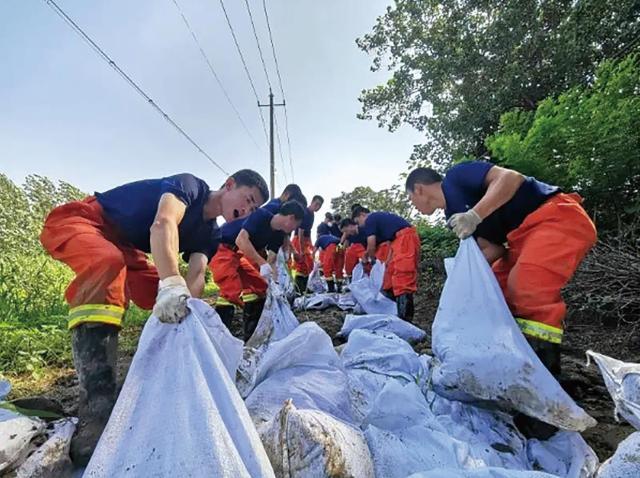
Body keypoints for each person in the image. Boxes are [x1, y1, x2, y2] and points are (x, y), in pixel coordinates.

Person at [39, 170, 269, 464]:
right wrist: (171, 281)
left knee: (156, 293)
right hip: (87, 220)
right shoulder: (190, 187)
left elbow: (197, 273)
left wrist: (187, 306)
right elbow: (164, 223)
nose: (247, 211)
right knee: (107, 264)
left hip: (123, 246)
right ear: (229, 185)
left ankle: (157, 371)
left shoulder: (210, 234)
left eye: (253, 209)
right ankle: (96, 406)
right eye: (248, 199)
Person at [405, 161, 597, 376]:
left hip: (554, 216)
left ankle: (546, 375)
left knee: (526, 287)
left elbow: (511, 178)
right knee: (495, 288)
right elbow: (493, 249)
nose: (414, 207)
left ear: (419, 188)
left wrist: (475, 215)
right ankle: (512, 357)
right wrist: (462, 280)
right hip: (520, 237)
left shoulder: (456, 177)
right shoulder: (453, 214)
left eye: (412, 200)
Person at [210, 201, 304, 340]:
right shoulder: (261, 215)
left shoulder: (278, 235)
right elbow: (240, 240)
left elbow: (271, 261)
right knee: (231, 290)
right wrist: (261, 263)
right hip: (223, 247)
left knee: (260, 288)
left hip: (243, 254)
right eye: (296, 225)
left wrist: (275, 283)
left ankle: (251, 336)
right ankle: (217, 339)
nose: (294, 229)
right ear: (291, 218)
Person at [352, 206, 420, 321]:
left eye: (358, 222)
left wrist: (370, 259)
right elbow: (389, 242)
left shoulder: (370, 219)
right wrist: (385, 263)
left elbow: (371, 244)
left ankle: (405, 319)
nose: (360, 225)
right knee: (390, 277)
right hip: (397, 241)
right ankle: (393, 311)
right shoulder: (381, 221)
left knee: (402, 277)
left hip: (405, 239)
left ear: (362, 215)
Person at [291, 195, 324, 293]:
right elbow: (300, 231)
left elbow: (308, 232)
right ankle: (298, 290)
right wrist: (301, 250)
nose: (317, 207)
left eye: (320, 206)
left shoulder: (312, 214)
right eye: (316, 204)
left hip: (305, 240)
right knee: (302, 264)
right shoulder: (305, 213)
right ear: (312, 202)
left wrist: (311, 245)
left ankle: (304, 288)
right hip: (299, 239)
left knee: (309, 264)